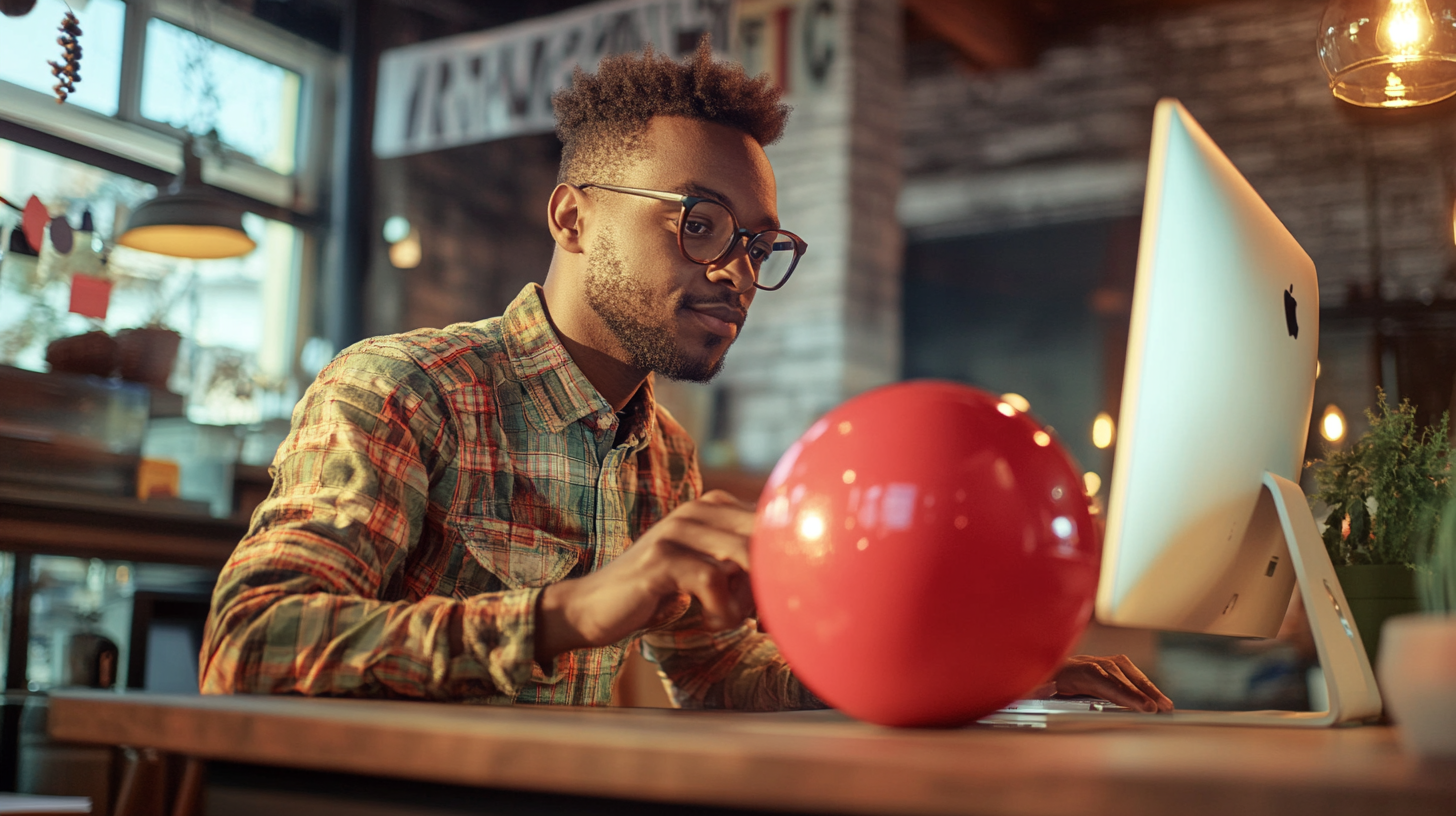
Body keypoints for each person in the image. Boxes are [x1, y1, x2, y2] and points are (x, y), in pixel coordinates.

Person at [201, 42, 1174, 714]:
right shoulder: (404, 390)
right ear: (573, 219)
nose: (736, 273)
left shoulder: (659, 448)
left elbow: (712, 675)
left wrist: (983, 682)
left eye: (757, 244)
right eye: (698, 223)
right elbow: (249, 650)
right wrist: (572, 610)